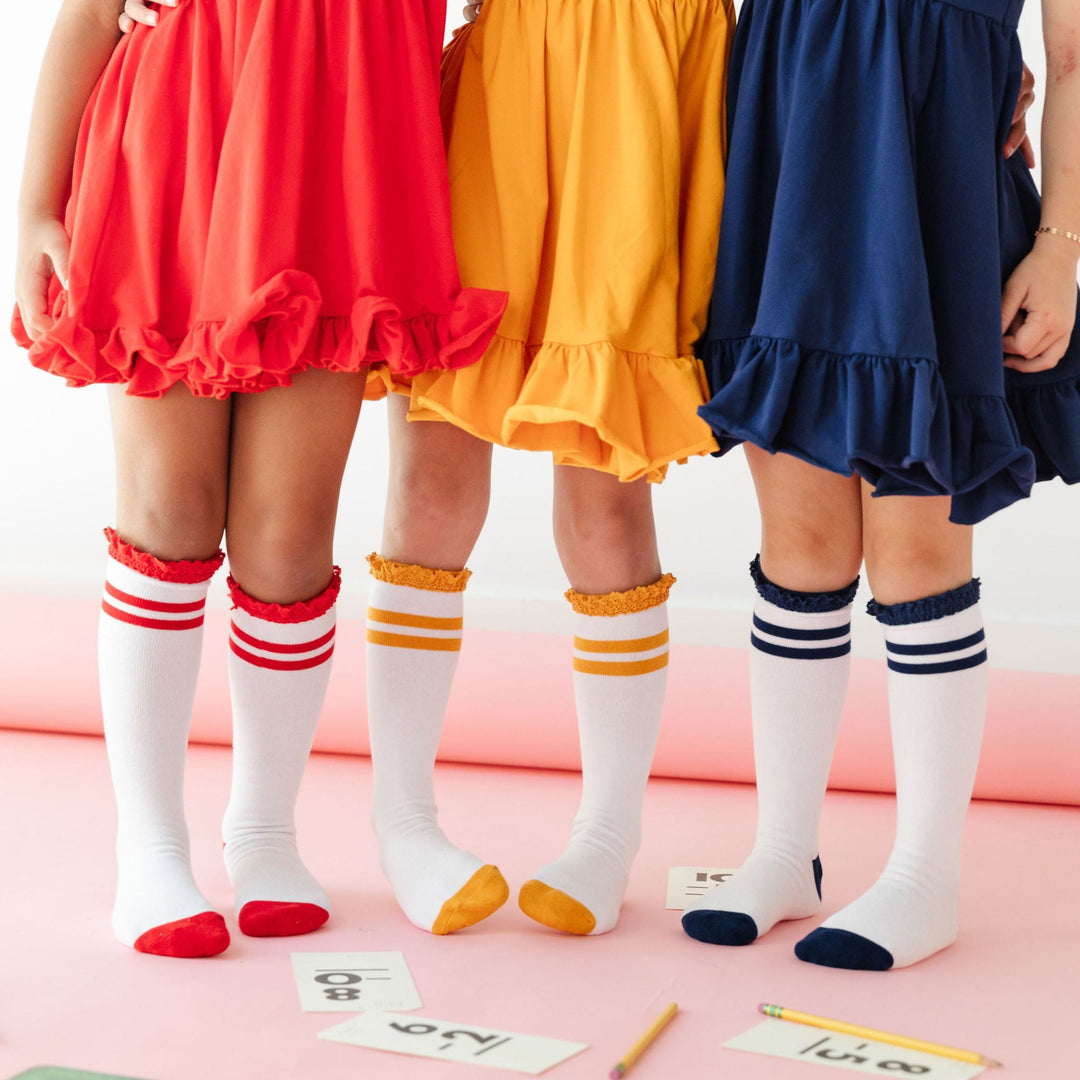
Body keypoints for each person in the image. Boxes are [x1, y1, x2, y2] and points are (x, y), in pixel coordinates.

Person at [14, 0, 504, 957]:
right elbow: (86, 10)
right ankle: (150, 846)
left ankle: (264, 827)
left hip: (340, 176)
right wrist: (34, 202)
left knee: (288, 534)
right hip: (179, 137)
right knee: (170, 511)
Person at [682, 0, 1080, 970]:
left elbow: (1070, 52)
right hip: (789, 155)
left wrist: (1059, 247)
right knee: (801, 547)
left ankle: (924, 873)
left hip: (931, 172)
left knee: (916, 553)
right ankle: (783, 849)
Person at [356, 0, 734, 936]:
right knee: (430, 481)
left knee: (608, 502)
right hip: (505, 80)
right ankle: (402, 822)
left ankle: (608, 834)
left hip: (649, 71)